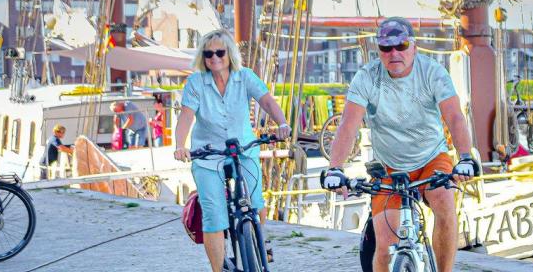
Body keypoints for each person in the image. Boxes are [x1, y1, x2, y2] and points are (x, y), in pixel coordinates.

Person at [320, 17, 481, 272]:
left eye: (401, 45)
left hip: (431, 157)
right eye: (386, 47)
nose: (394, 53)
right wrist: (335, 168)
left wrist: (465, 157)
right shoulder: (367, 77)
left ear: (414, 47)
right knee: (384, 243)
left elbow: (454, 116)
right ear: (379, 50)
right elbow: (348, 125)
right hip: (389, 166)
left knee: (445, 205)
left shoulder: (432, 72)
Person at [172, 30, 292, 272]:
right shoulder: (196, 82)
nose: (214, 57)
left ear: (229, 54)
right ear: (202, 57)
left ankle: (260, 236)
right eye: (208, 53)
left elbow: (266, 101)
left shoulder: (245, 76)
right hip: (207, 155)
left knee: (255, 201)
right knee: (214, 216)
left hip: (242, 149)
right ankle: (218, 269)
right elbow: (186, 115)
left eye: (219, 52)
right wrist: (180, 145)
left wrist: (282, 123)